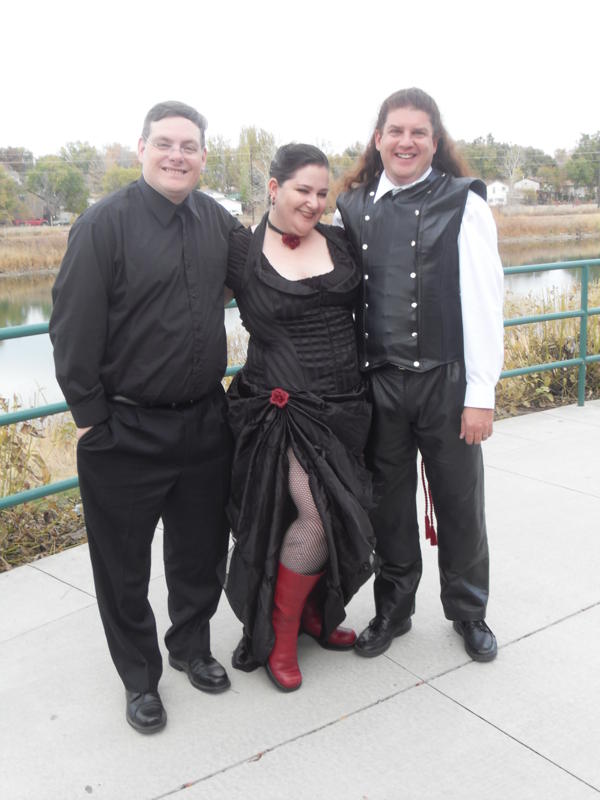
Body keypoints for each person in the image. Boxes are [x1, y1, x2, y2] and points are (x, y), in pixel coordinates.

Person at [50, 101, 241, 734]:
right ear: (141, 148)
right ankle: (139, 678)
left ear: (204, 156)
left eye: (189, 146)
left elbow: (266, 277)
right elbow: (71, 326)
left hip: (204, 423)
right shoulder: (102, 225)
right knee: (123, 568)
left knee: (200, 553)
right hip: (124, 431)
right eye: (164, 143)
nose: (176, 156)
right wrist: (90, 419)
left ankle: (190, 646)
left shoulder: (218, 222)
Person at [335, 88, 504, 662]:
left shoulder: (463, 203)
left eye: (418, 133)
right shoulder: (351, 206)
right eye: (396, 131)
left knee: (460, 502)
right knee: (387, 507)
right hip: (377, 384)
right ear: (378, 138)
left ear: (435, 142)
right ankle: (394, 609)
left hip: (445, 382)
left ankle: (469, 610)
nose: (405, 142)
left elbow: (484, 303)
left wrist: (480, 394)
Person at [222, 143, 375, 692]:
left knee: (341, 512)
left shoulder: (340, 240)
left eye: (321, 193)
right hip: (282, 406)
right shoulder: (240, 251)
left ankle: (315, 613)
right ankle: (279, 638)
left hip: (348, 403)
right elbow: (182, 300)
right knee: (312, 512)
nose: (313, 202)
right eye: (302, 190)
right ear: (273, 188)